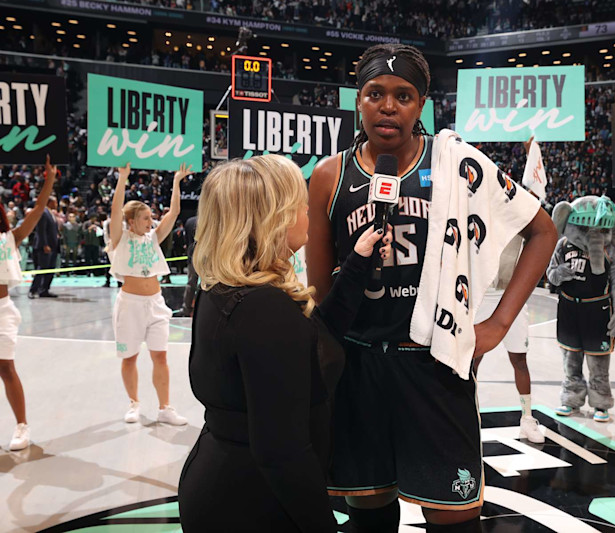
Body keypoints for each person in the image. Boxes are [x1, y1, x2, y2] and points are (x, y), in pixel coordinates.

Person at [306, 43, 557, 531]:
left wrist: (499, 323)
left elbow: (541, 229)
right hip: (360, 367)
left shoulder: (457, 162)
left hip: (435, 365)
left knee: (456, 521)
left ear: (421, 105)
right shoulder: (328, 176)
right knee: (368, 521)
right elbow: (320, 295)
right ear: (357, 99)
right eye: (375, 92)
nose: (388, 105)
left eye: (403, 95)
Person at [178, 156, 392, 532]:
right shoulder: (263, 308)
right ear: (271, 217)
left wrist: (357, 262)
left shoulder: (227, 288)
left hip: (225, 486)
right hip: (256, 503)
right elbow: (282, 452)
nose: (306, 210)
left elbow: (316, 339)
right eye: (298, 202)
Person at [108, 162, 190, 425]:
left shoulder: (153, 238)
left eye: (150, 217)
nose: (150, 221)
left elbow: (174, 211)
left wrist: (177, 181)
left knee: (160, 355)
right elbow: (115, 210)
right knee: (129, 357)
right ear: (131, 221)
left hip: (156, 303)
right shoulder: (120, 238)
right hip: (129, 305)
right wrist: (123, 179)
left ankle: (165, 407)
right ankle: (134, 403)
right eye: (145, 218)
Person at [0, 157, 56, 451]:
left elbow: (37, 210)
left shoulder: (10, 238)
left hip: (2, 312)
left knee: (6, 367)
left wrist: (49, 180)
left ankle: (22, 425)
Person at [473, 236, 544, 444]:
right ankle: (470, 413)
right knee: (473, 359)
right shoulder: (476, 211)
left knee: (519, 360)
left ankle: (527, 418)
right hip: (481, 295)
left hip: (512, 295)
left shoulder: (518, 213)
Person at [28, 195, 59, 298]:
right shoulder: (44, 213)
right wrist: (45, 244)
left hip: (53, 246)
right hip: (45, 246)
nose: (57, 204)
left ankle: (44, 289)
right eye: (55, 202)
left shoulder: (51, 213)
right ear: (50, 202)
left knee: (50, 269)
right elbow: (41, 231)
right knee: (42, 268)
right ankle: (33, 290)